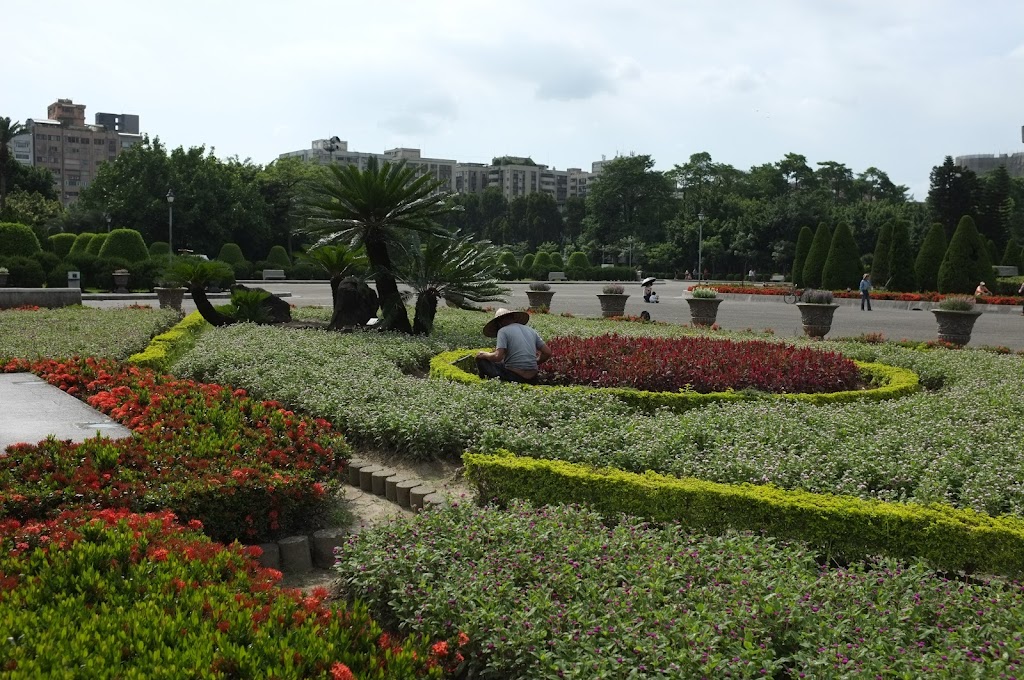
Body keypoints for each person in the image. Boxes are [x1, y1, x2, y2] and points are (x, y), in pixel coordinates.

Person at [476, 308, 551, 384]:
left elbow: (498, 357)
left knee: (480, 359)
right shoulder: (531, 330)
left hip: (515, 376)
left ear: (499, 322)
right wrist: (536, 362)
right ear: (513, 317)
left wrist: (484, 354)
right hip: (533, 377)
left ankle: (485, 382)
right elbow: (547, 352)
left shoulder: (503, 331)